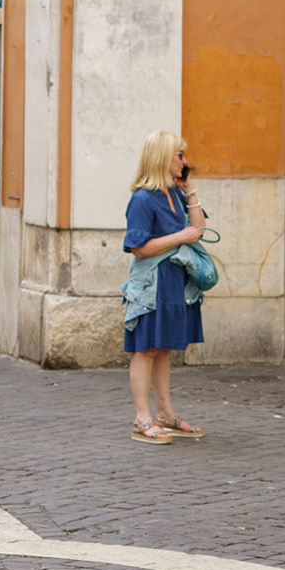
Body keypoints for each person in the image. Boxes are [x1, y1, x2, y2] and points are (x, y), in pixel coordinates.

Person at [123, 131, 208, 444]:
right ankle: (141, 418)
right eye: (180, 156)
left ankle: (164, 414)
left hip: (174, 285)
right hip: (151, 285)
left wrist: (190, 190)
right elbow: (138, 247)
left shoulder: (174, 193)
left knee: (162, 351)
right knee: (144, 349)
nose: (185, 162)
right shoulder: (142, 199)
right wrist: (179, 237)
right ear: (163, 158)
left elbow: (198, 229)